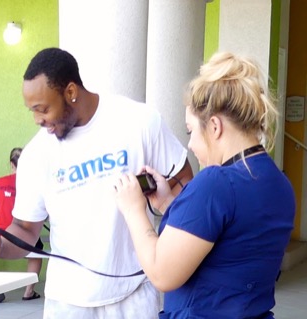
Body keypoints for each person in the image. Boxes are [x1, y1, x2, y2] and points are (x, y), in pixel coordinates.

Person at [0, 47, 194, 318]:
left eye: (43, 109)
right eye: (32, 111)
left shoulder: (139, 121)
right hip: (67, 303)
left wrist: (170, 239)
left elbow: (183, 180)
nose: (38, 120)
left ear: (71, 92)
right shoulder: (36, 153)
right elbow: (25, 228)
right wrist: (0, 246)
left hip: (133, 297)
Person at [114, 52, 296, 318]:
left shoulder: (215, 183)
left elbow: (161, 273)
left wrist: (133, 210)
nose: (190, 145)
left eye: (191, 131)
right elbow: (230, 241)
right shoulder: (279, 182)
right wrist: (168, 205)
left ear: (214, 126)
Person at [0, 147, 43, 304]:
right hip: (25, 233)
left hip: (0, 232)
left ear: (11, 163)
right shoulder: (33, 183)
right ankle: (29, 291)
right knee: (37, 251)